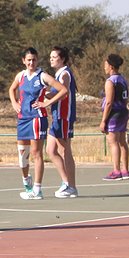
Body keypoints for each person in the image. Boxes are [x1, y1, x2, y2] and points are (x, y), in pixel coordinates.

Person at [7, 48, 56, 199]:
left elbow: (63, 90)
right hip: (23, 118)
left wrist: (46, 103)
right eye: (28, 60)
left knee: (36, 154)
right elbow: (12, 89)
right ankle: (26, 182)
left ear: (37, 60)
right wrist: (14, 102)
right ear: (24, 61)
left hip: (37, 118)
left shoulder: (43, 76)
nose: (31, 62)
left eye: (34, 59)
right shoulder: (20, 76)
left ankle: (37, 189)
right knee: (23, 155)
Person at [39, 46, 79, 196]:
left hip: (64, 116)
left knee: (64, 150)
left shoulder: (65, 74)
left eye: (54, 57)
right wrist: (44, 95)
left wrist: (47, 102)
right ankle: (65, 182)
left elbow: (63, 94)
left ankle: (72, 186)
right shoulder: (57, 75)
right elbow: (56, 94)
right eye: (50, 57)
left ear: (62, 59)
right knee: (50, 150)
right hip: (56, 116)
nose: (52, 59)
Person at [100, 53, 129, 180]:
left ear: (111, 66)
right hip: (123, 113)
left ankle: (116, 171)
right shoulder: (123, 80)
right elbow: (125, 99)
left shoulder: (110, 81)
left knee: (113, 143)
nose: (104, 67)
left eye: (106, 65)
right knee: (122, 142)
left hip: (113, 114)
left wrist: (104, 121)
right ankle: (125, 170)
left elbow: (109, 102)